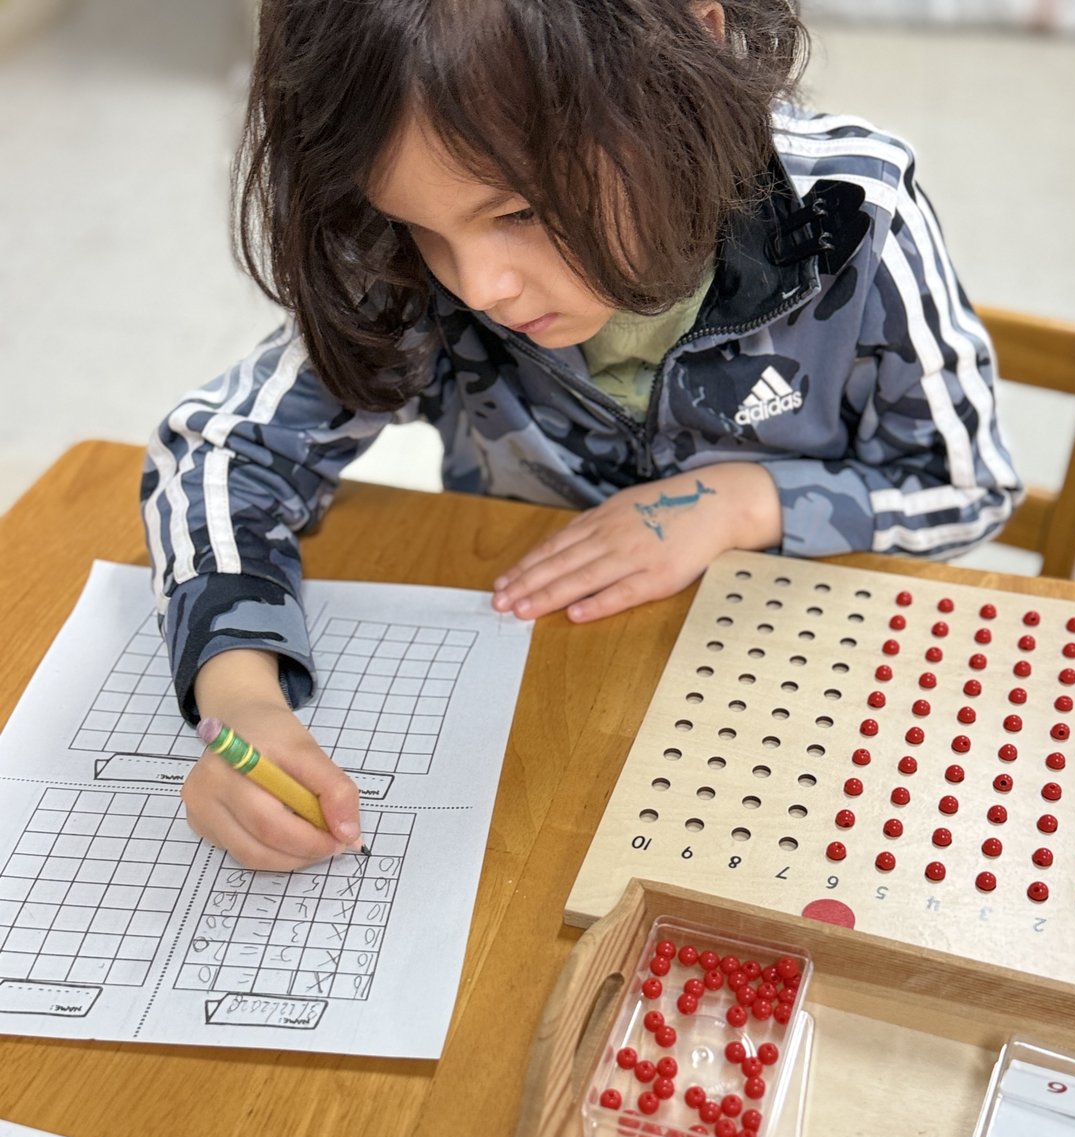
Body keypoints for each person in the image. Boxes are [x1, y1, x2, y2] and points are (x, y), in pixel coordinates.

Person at [143, 0, 1021, 870]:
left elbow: (969, 487)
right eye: (421, 225)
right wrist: (240, 693)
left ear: (685, 47)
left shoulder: (856, 217)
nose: (479, 287)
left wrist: (748, 502)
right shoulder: (413, 262)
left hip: (795, 711)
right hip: (547, 714)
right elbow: (220, 452)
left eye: (520, 212)